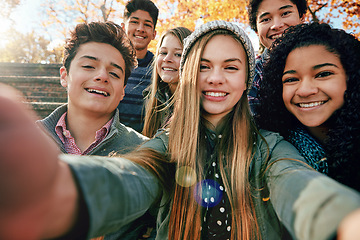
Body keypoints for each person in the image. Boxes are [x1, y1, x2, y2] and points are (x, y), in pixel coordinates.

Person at [1, 20, 360, 240]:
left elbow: (296, 183)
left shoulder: (269, 148)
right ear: (188, 76)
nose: (215, 78)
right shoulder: (165, 146)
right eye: (204, 66)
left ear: (247, 79)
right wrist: (59, 190)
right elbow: (130, 176)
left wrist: (342, 219)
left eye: (231, 67)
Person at [254, 22, 360, 192]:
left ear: (352, 77)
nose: (304, 91)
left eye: (323, 74)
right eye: (291, 79)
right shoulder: (270, 149)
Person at [246, 0, 307, 113]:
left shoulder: (330, 54)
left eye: (285, 13)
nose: (276, 25)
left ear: (302, 17)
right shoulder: (253, 73)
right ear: (256, 31)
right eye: (265, 19)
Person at [117, 0, 159, 132]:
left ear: (154, 34)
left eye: (147, 24)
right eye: (134, 22)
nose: (140, 29)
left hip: (144, 144)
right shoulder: (111, 63)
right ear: (123, 27)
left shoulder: (159, 69)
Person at [142, 26, 192, 138]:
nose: (167, 59)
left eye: (178, 54)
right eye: (163, 53)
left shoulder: (200, 103)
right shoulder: (151, 96)